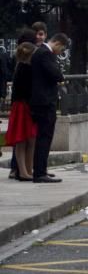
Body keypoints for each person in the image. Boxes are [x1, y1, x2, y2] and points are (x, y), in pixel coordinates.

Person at [30, 33, 69, 183]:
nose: (60, 52)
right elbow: (56, 74)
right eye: (62, 49)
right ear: (58, 43)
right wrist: (61, 76)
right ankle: (39, 173)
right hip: (45, 102)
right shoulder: (46, 54)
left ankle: (41, 169)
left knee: (43, 136)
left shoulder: (39, 52)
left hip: (40, 101)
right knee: (44, 137)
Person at [7, 42, 37, 181]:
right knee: (23, 140)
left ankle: (27, 170)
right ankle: (24, 171)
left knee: (29, 140)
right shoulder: (25, 68)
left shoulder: (21, 67)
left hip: (22, 106)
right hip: (23, 106)